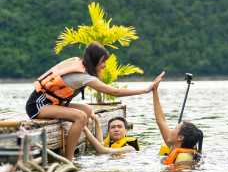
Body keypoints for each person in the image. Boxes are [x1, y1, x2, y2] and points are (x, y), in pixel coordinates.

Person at [25, 42, 163, 160]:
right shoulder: (82, 76)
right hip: (38, 106)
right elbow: (114, 92)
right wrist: (145, 90)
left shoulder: (79, 63)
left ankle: (86, 138)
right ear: (94, 61)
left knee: (88, 110)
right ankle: (69, 158)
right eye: (103, 62)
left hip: (53, 103)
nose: (104, 65)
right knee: (80, 116)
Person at [152, 72, 203, 165]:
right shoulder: (173, 146)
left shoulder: (184, 158)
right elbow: (161, 121)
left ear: (180, 138)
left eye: (175, 128)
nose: (171, 130)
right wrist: (154, 91)